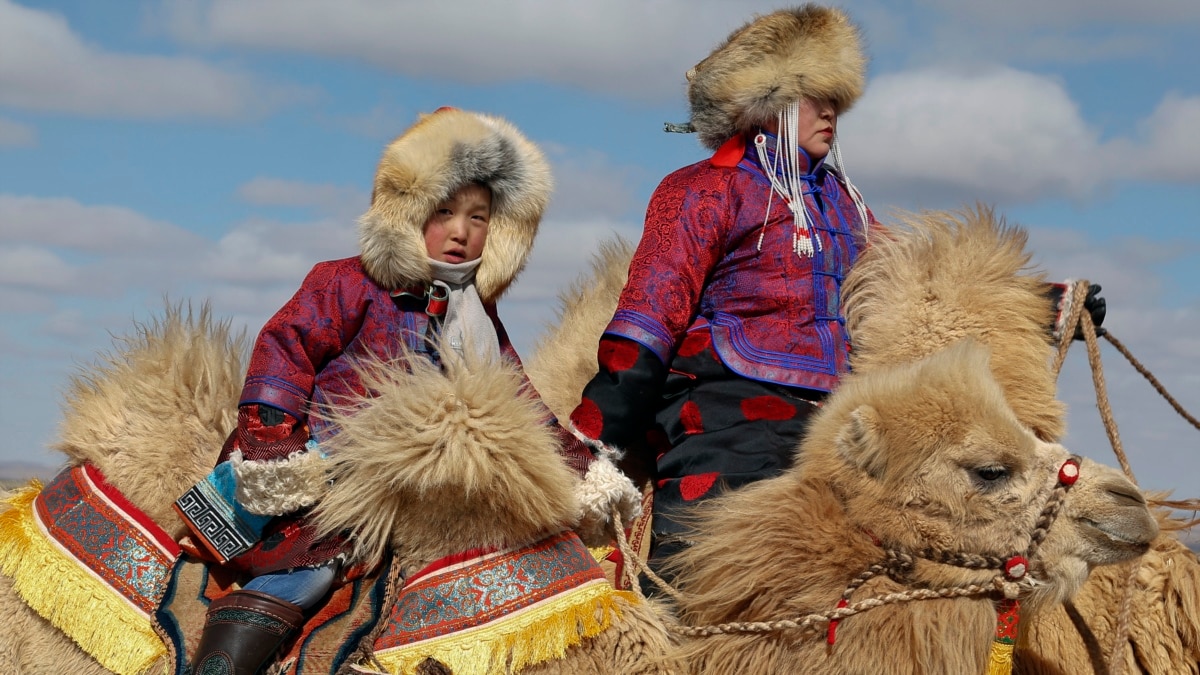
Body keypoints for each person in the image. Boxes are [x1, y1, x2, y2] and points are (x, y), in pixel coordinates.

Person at [173, 107, 610, 675]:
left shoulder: (477, 319)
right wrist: (274, 452)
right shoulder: (343, 284)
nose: (461, 231)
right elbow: (284, 353)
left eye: (479, 217)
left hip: (412, 488)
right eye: (445, 210)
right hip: (318, 477)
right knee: (310, 572)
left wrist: (583, 467)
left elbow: (518, 402)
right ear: (405, 214)